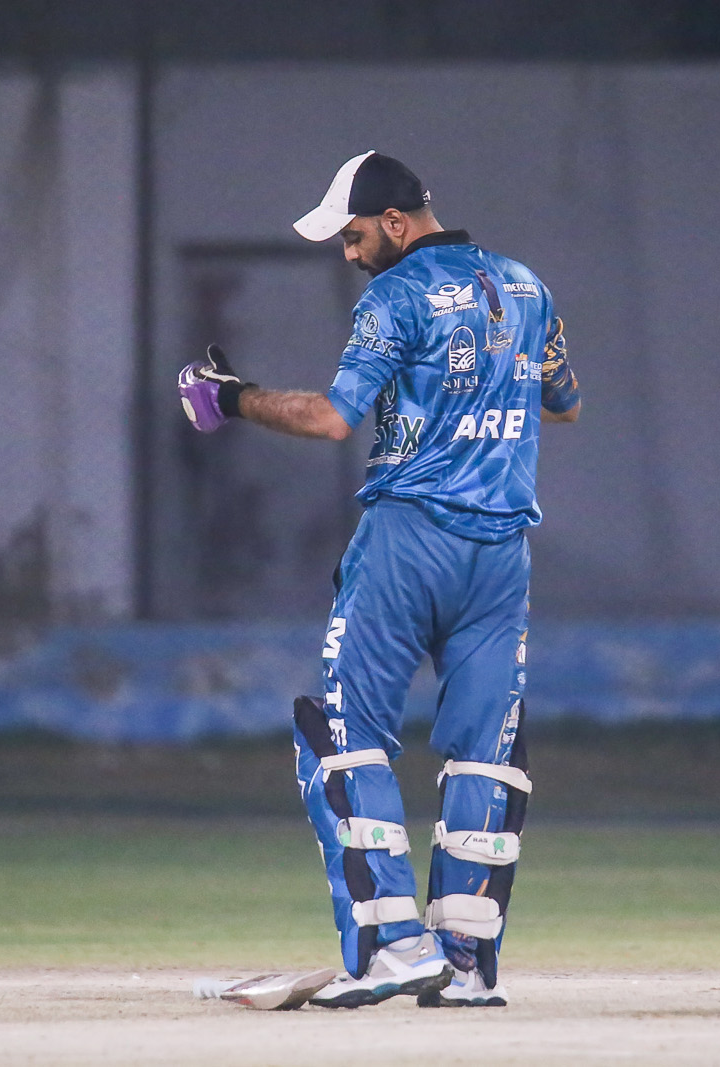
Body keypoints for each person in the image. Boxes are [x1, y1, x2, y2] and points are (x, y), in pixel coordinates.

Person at [178, 150, 580, 1010]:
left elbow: (332, 419)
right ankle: (466, 965)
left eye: (355, 235)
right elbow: (564, 400)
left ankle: (394, 946)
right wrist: (481, 400)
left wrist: (232, 397)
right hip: (502, 551)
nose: (350, 251)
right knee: (487, 751)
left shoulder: (394, 295)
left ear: (396, 222)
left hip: (409, 539)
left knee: (343, 730)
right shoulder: (526, 285)